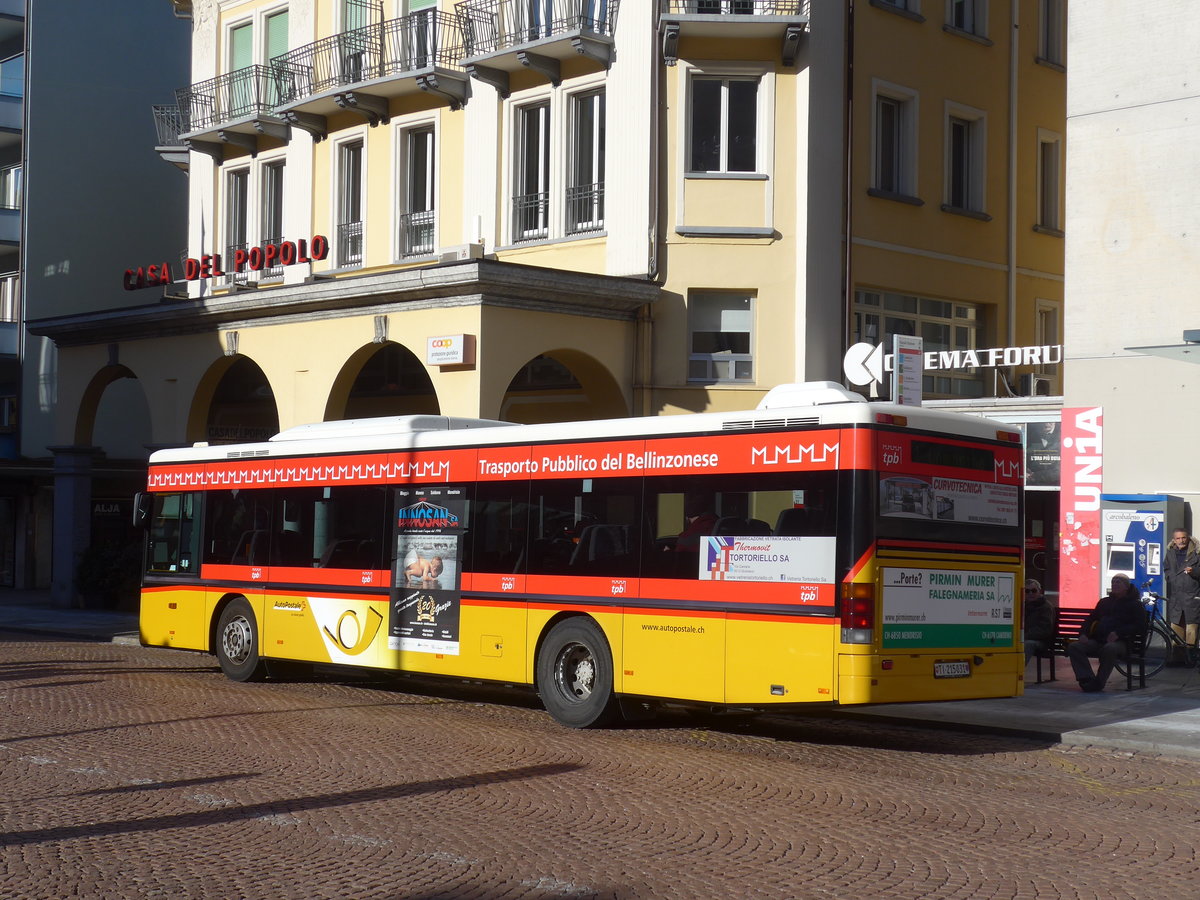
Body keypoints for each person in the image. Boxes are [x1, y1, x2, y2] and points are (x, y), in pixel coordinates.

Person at [1067, 574, 1146, 692]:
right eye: (1113, 582)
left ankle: (1099, 682)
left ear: (1126, 586)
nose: (1115, 584)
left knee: (1110, 648)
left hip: (1122, 642)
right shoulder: (1104, 602)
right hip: (1099, 640)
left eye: (1118, 582)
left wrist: (1119, 633)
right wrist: (1083, 633)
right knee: (1075, 647)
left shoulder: (1135, 604)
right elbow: (1090, 619)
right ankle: (1086, 678)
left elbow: (1140, 626)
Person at [1163, 528, 1200, 662]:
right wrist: (1170, 578)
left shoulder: (1197, 553)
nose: (1181, 541)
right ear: (1174, 540)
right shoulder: (1170, 553)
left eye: (1183, 538)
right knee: (1176, 627)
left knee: (1192, 629)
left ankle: (1191, 659)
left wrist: (1194, 571)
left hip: (1192, 597)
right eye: (1178, 538)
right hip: (1177, 597)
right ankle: (1177, 659)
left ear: (1188, 538)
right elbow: (1166, 568)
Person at [1022, 579, 1054, 665]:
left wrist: (1025, 636)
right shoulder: (1022, 605)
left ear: (1039, 591)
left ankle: (1017, 670)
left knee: (1027, 644)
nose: (1030, 594)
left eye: (1034, 591)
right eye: (1027, 591)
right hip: (1025, 637)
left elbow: (1045, 629)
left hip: (1041, 641)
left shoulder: (1046, 607)